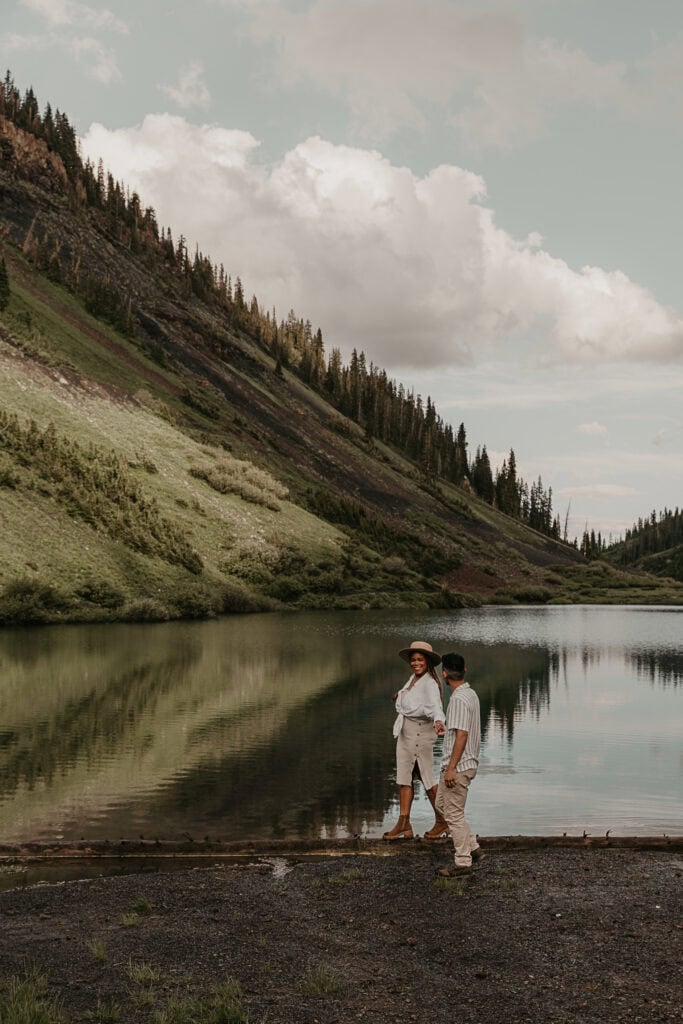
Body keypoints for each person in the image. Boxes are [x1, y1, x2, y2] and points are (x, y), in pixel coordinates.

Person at [383, 640, 449, 841]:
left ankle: (443, 820)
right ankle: (404, 824)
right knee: (405, 776)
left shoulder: (429, 682)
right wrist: (400, 696)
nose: (415, 663)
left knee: (426, 776)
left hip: (419, 734)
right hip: (407, 733)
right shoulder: (414, 679)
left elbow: (435, 706)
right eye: (413, 660)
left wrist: (439, 721)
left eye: (420, 659)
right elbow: (413, 700)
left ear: (427, 661)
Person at [434, 652, 485, 875]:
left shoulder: (457, 699)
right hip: (466, 761)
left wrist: (452, 768)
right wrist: (446, 731)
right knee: (441, 805)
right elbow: (459, 730)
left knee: (453, 814)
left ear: (444, 674)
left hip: (459, 765)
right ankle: (473, 848)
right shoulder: (470, 694)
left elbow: (463, 735)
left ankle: (463, 862)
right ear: (464, 670)